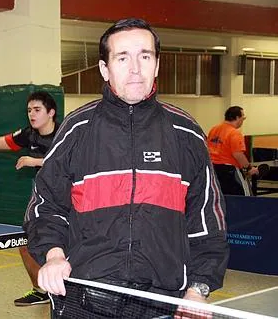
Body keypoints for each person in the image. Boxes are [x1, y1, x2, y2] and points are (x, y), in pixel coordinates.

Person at [23, 18, 229, 318]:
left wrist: (198, 288)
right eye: (122, 58)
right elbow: (45, 205)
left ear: (156, 65)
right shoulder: (77, 129)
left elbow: (207, 220)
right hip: (82, 301)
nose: (135, 68)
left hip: (162, 303)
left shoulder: (186, 133)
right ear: (105, 69)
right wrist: (53, 256)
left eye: (145, 56)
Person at [0, 91, 59, 306]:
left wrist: (34, 161)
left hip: (69, 197)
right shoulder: (29, 134)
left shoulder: (65, 132)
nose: (31, 114)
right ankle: (41, 290)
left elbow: (68, 161)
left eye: (37, 110)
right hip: (44, 196)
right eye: (29, 110)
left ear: (51, 113)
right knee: (25, 243)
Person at [207, 106, 258, 196]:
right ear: (237, 118)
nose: (242, 121)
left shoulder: (213, 129)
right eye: (242, 118)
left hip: (213, 169)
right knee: (244, 197)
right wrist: (249, 169)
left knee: (221, 197)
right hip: (230, 172)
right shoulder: (234, 133)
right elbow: (238, 154)